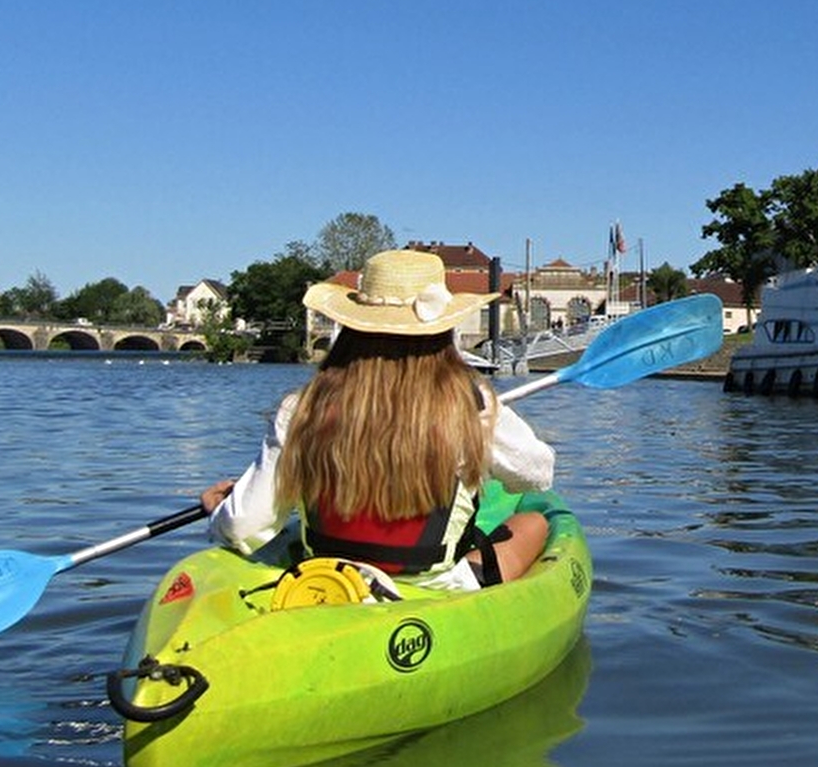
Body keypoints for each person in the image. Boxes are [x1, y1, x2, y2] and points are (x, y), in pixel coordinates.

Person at [199, 249, 554, 589]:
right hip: (438, 586)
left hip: (326, 581)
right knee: (534, 522)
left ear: (352, 328)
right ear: (443, 330)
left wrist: (221, 510)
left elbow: (243, 527)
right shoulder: (472, 402)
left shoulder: (301, 406)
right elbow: (537, 476)